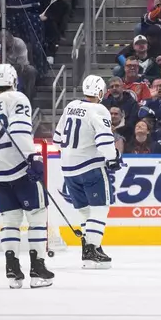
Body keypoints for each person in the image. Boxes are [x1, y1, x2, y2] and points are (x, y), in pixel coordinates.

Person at [0, 64, 53, 289]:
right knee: (37, 216)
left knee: (10, 221)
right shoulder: (18, 98)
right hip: (19, 165)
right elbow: (19, 130)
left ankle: (12, 270)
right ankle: (38, 270)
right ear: (14, 80)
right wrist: (33, 157)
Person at [53, 75, 122, 269]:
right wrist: (113, 158)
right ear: (100, 92)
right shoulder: (99, 109)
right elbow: (105, 140)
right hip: (90, 167)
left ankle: (91, 248)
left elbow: (57, 140)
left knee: (85, 212)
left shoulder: (70, 106)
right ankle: (91, 249)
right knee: (100, 208)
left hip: (68, 169)